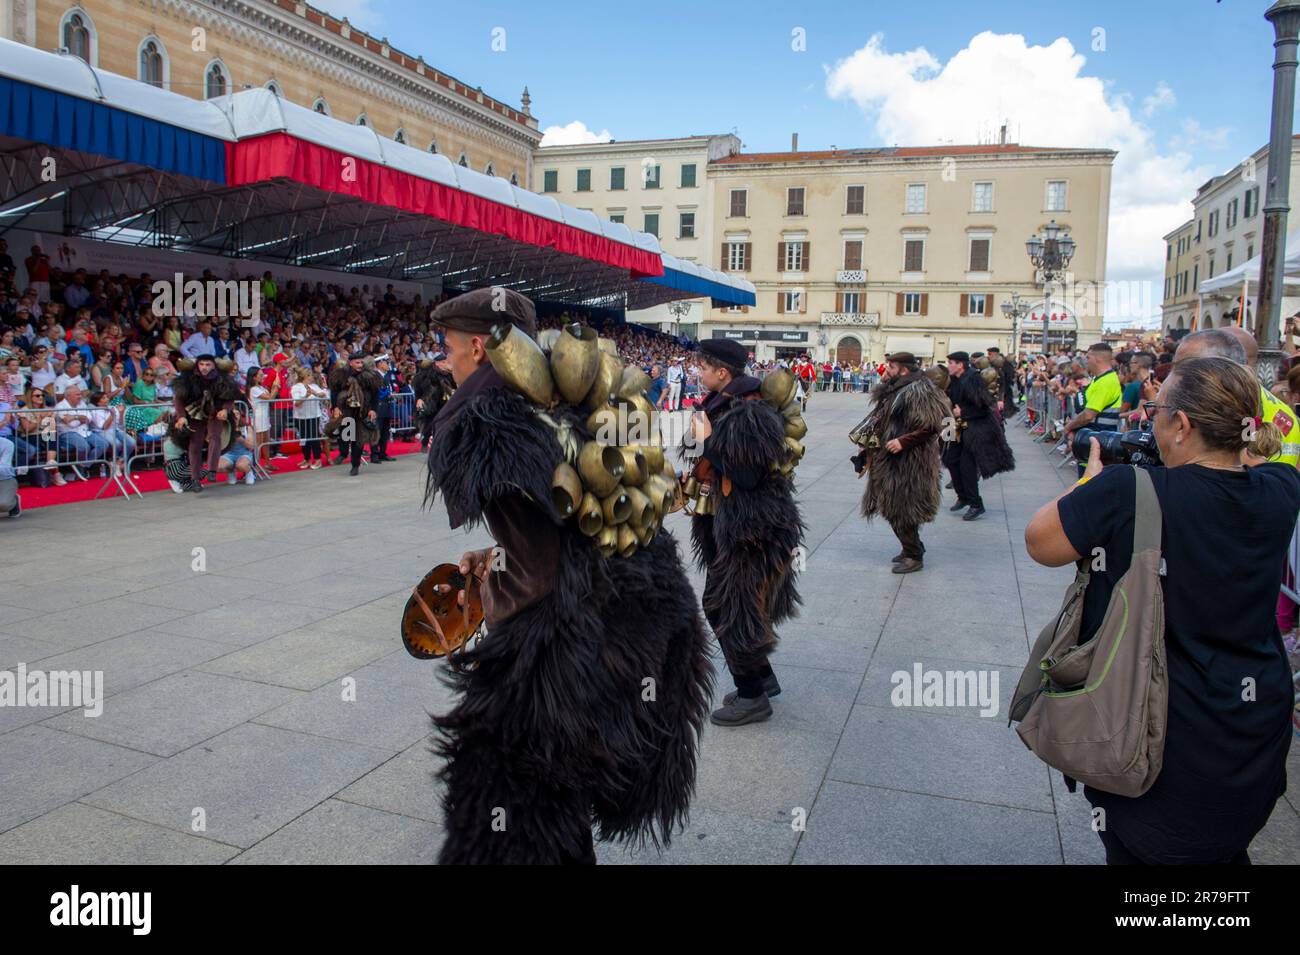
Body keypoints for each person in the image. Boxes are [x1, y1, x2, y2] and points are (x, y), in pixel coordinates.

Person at [424, 287, 712, 864]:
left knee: (508, 802)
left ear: (479, 348)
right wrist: (498, 551)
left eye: (447, 347)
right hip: (644, 620)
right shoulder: (570, 402)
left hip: (569, 646)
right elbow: (565, 528)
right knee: (558, 795)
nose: (442, 361)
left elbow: (538, 570)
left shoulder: (486, 422)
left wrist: (488, 585)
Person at [1025, 357, 1300, 865]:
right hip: (1253, 721)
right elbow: (1251, 465)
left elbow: (1041, 542)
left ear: (1183, 423)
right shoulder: (1282, 489)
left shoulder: (1127, 490)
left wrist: (1091, 478)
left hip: (1156, 726)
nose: (1146, 419)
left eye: (1155, 410)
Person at [688, 338, 804, 726]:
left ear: (723, 372)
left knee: (726, 607)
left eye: (702, 367)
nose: (697, 373)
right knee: (732, 605)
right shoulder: (726, 404)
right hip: (738, 524)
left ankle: (753, 695)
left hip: (753, 528)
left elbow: (747, 475)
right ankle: (762, 679)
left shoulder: (747, 411)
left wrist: (706, 439)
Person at [851, 352, 949, 573]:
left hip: (909, 462)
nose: (887, 370)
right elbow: (881, 420)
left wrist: (903, 442)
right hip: (888, 458)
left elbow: (932, 425)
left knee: (901, 509)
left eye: (892, 367)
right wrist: (867, 444)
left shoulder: (919, 390)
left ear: (904, 369)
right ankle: (910, 548)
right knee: (893, 506)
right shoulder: (894, 389)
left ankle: (914, 555)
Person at [946, 351, 1014, 520]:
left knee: (967, 466)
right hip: (956, 426)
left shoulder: (973, 378)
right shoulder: (953, 380)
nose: (949, 366)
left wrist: (963, 411)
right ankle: (962, 496)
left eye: (951, 363)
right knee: (949, 458)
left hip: (975, 428)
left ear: (960, 365)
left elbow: (983, 405)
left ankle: (976, 504)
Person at [172, 355, 239, 492]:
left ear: (214, 365)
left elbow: (230, 396)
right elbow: (179, 399)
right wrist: (181, 417)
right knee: (194, 444)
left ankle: (212, 470)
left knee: (215, 436)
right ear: (197, 365)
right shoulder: (188, 379)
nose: (204, 367)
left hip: (215, 412)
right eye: (201, 364)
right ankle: (195, 478)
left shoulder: (223, 378)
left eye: (208, 364)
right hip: (194, 413)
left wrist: (226, 410)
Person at [328, 352, 382, 476]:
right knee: (345, 436)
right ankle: (343, 453)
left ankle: (355, 465)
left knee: (358, 441)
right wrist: (335, 407)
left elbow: (375, 395)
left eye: (362, 362)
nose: (360, 365)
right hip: (346, 411)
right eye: (357, 362)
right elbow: (334, 393)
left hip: (363, 412)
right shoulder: (341, 375)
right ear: (350, 363)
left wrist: (373, 409)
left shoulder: (370, 376)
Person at [290, 366, 324, 470]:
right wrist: (305, 396)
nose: (312, 377)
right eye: (309, 375)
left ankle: (318, 459)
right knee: (303, 439)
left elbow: (323, 394)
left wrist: (316, 393)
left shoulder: (314, 386)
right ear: (305, 376)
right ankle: (307, 458)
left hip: (314, 416)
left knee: (314, 438)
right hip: (300, 417)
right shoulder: (296, 387)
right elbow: (297, 403)